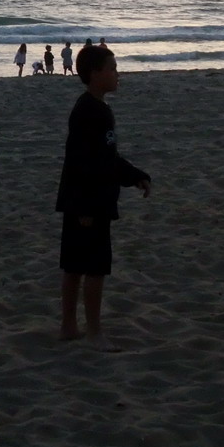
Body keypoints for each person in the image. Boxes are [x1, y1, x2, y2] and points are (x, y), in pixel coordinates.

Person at [56, 45, 151, 351]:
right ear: (95, 74)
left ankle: (70, 327)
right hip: (89, 202)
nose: (116, 73)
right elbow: (82, 161)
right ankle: (91, 331)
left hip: (82, 200)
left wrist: (134, 176)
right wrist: (82, 205)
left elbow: (108, 158)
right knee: (91, 268)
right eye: (111, 68)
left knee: (75, 266)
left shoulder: (96, 108)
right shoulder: (89, 111)